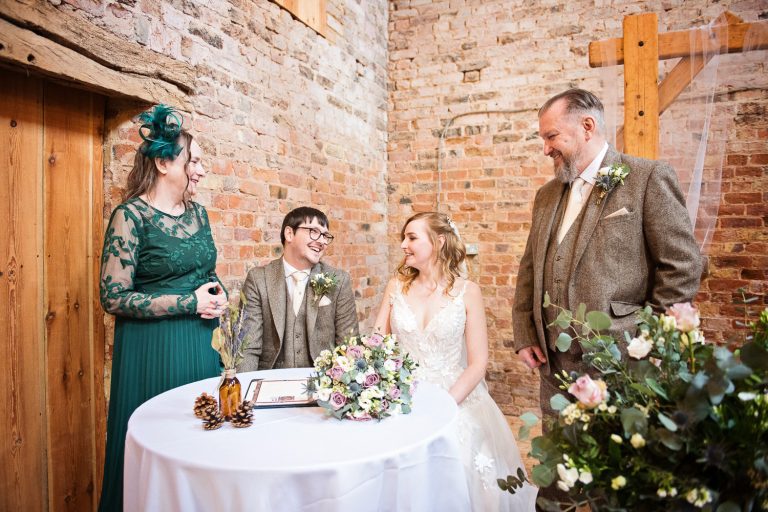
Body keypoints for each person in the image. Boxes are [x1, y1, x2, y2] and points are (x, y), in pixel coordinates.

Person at [512, 88, 702, 420]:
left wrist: (649, 340)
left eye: (552, 136)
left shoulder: (646, 178)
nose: (546, 149)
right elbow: (530, 268)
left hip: (621, 360)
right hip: (554, 366)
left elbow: (682, 265)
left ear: (587, 127)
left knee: (614, 450)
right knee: (559, 448)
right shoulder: (546, 195)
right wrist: (526, 333)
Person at [98, 105, 226, 511]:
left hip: (201, 344)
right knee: (161, 447)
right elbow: (113, 296)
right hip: (153, 348)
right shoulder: (131, 217)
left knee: (201, 446)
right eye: (195, 160)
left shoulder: (199, 215)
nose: (202, 170)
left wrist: (217, 293)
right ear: (163, 162)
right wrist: (189, 301)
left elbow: (205, 271)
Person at [374, 212, 538, 512]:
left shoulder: (468, 292)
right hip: (403, 394)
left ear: (438, 242)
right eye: (403, 238)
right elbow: (377, 345)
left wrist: (443, 406)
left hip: (455, 396)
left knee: (463, 462)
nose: (403, 245)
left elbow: (478, 363)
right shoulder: (395, 287)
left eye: (412, 237)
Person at [237, 207, 359, 371]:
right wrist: (246, 384)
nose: (322, 241)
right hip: (270, 381)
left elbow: (348, 345)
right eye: (314, 232)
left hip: (323, 380)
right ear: (289, 234)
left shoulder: (339, 281)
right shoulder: (258, 279)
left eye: (325, 236)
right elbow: (248, 348)